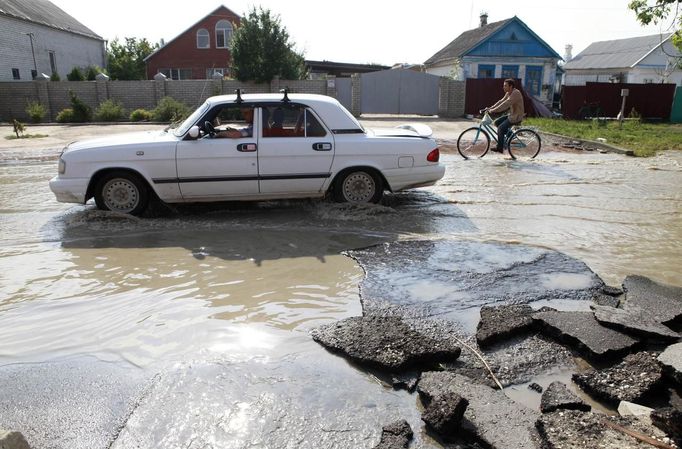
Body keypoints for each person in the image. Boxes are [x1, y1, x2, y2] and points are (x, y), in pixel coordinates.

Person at [484, 79, 524, 153]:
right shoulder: (509, 93)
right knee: (496, 123)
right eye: (503, 85)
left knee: (500, 128)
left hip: (516, 117)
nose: (503, 87)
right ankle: (511, 136)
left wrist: (493, 110)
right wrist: (490, 108)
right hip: (512, 115)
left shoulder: (516, 93)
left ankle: (500, 148)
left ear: (511, 86)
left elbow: (505, 104)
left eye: (505, 86)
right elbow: (501, 101)